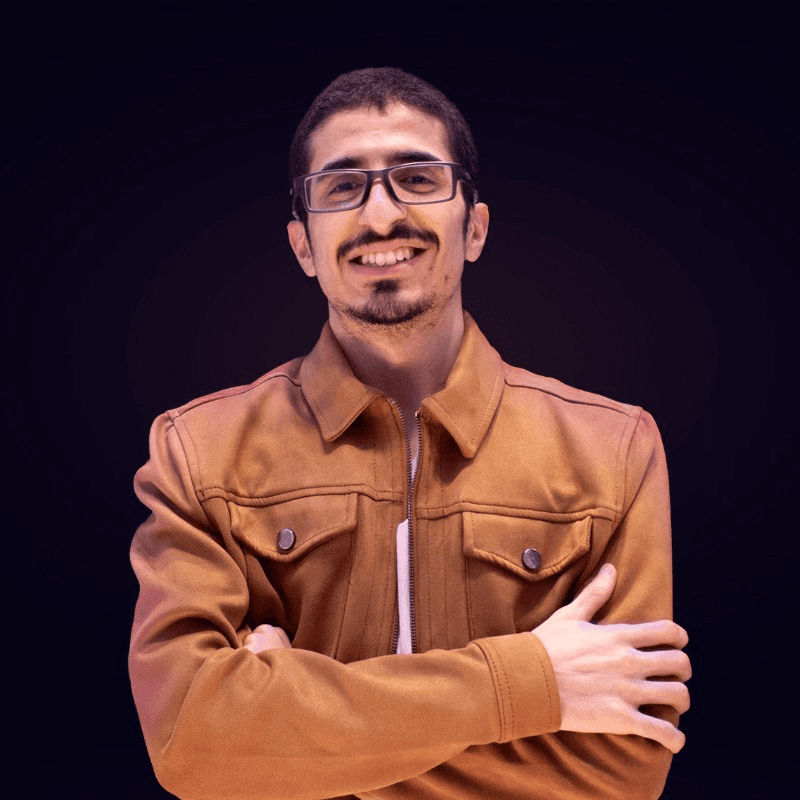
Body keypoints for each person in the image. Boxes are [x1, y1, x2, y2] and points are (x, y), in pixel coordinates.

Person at [129, 67, 690, 800]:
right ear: (303, 247)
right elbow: (192, 741)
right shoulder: (198, 453)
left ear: (475, 228)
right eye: (342, 187)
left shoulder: (613, 451)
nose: (380, 214)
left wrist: (286, 725)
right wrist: (532, 686)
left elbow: (624, 768)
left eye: (417, 179)